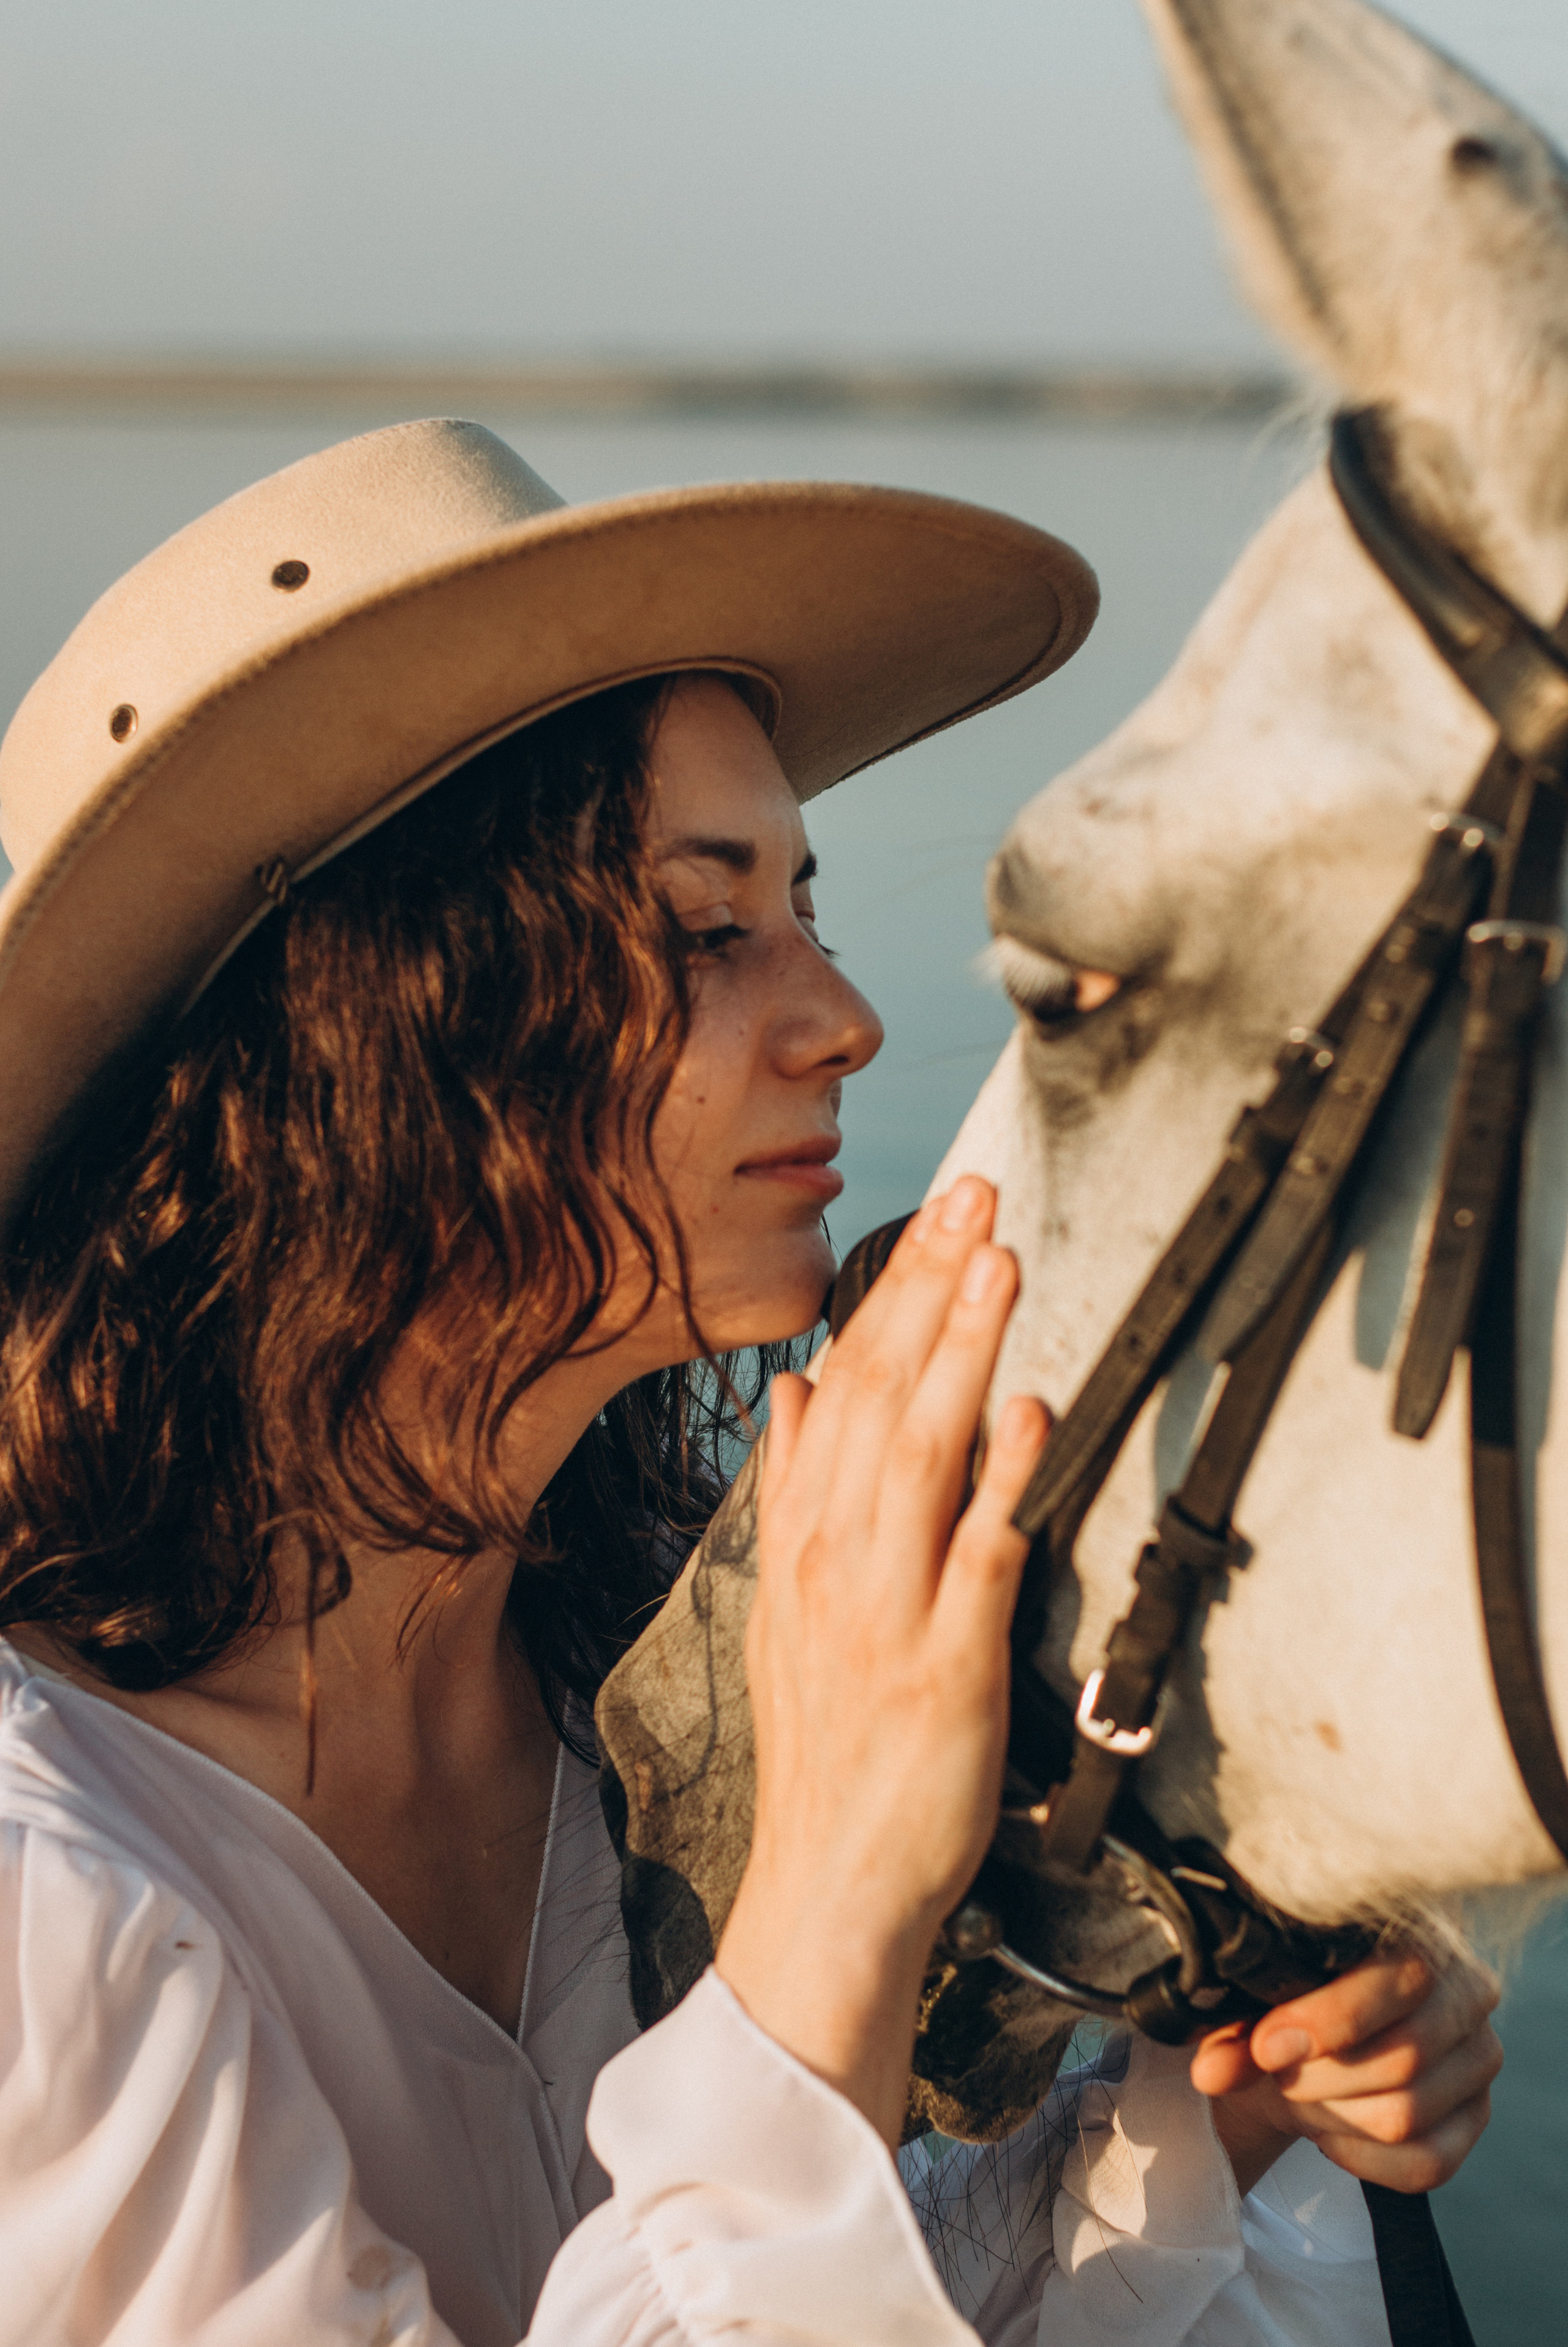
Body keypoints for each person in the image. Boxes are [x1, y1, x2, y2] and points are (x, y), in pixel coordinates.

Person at [0, 420, 1498, 2347]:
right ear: (364, 1038)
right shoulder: (56, 1905)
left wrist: (1219, 2132)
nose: (849, 1017)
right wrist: (832, 1921)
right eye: (709, 928)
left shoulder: (641, 1688)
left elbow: (840, 2273)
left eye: (807, 908)